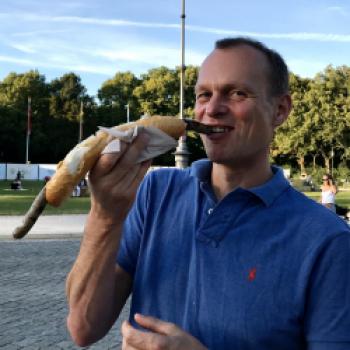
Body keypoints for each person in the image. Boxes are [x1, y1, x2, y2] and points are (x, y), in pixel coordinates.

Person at [66, 37, 350, 350]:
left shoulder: (327, 240)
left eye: (237, 93)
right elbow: (84, 327)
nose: (212, 109)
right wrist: (105, 214)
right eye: (204, 95)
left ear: (280, 110)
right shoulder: (156, 194)